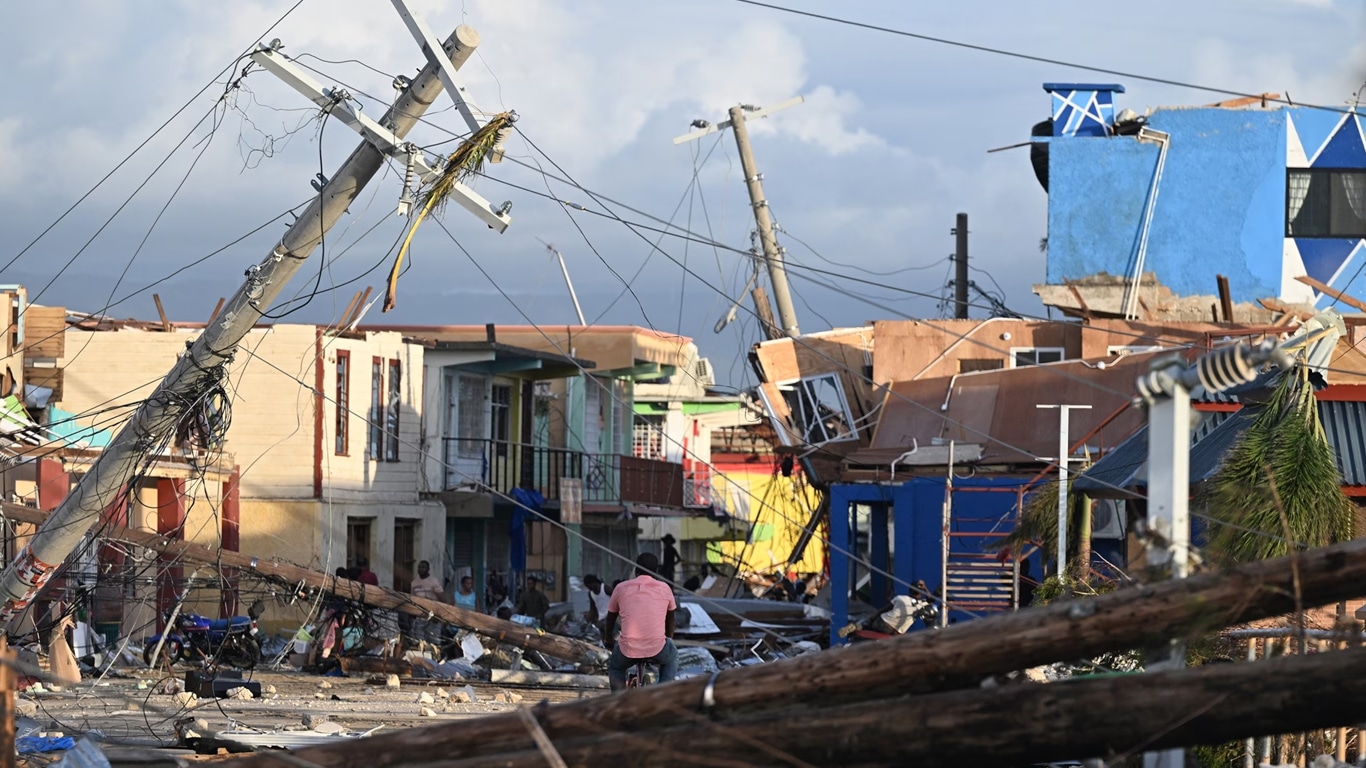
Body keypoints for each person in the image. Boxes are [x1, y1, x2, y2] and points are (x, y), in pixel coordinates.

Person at [603, 552, 678, 692]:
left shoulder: (620, 588)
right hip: (657, 648)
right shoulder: (665, 588)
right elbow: (671, 618)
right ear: (655, 571)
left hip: (628, 650)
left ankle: (617, 701)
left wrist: (608, 640)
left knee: (616, 667)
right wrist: (668, 639)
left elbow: (610, 618)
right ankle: (664, 693)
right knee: (671, 657)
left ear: (636, 569)